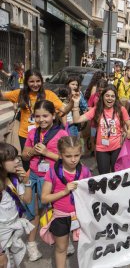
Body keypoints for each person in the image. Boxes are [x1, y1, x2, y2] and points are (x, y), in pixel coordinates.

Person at [21, 100, 69, 261]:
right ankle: (32, 245)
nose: (41, 120)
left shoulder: (61, 134)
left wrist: (47, 153)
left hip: (54, 179)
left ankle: (63, 240)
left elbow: (67, 159)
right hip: (35, 177)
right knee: (36, 211)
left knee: (58, 211)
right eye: (37, 116)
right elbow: (24, 153)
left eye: (45, 116)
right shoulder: (32, 133)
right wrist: (30, 153)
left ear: (53, 115)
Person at [0, 70, 70, 166]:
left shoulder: (48, 94)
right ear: (26, 82)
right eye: (31, 81)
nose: (35, 84)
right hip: (25, 135)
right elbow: (2, 96)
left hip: (45, 134)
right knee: (27, 162)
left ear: (42, 81)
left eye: (38, 81)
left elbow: (64, 110)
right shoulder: (20, 93)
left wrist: (74, 103)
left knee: (44, 160)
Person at [41, 136, 92, 268]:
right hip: (60, 216)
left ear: (81, 154)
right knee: (61, 248)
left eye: (77, 155)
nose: (73, 159)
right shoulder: (52, 172)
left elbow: (92, 192)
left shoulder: (85, 171)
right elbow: (44, 198)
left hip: (80, 216)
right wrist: (64, 192)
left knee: (85, 247)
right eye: (68, 156)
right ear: (60, 154)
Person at [72, 86, 130, 174]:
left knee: (117, 175)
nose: (110, 98)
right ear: (103, 97)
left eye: (112, 96)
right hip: (102, 149)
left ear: (115, 98)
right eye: (107, 95)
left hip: (117, 147)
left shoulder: (121, 109)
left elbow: (129, 125)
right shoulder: (97, 110)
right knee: (104, 176)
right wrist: (76, 104)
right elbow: (77, 120)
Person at [0, 142, 33, 267]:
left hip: (13, 230)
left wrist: (27, 181)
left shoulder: (13, 177)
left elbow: (27, 200)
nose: (17, 161)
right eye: (12, 159)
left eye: (16, 157)